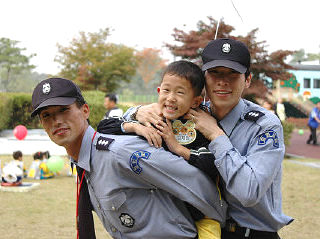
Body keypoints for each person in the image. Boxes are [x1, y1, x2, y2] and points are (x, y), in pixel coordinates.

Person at [125, 38, 293, 239]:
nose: (223, 81)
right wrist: (137, 112)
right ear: (204, 78)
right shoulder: (190, 112)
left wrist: (215, 135)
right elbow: (120, 122)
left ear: (247, 80)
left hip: (250, 233)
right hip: (196, 229)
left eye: (233, 74)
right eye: (215, 73)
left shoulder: (264, 125)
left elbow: (249, 192)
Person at [30, 77, 226, 239]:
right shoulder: (83, 162)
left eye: (64, 110)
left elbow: (196, 181)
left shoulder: (120, 153)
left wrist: (215, 224)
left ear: (85, 110)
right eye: (47, 115)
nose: (57, 121)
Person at [98, 60, 225, 239]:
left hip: (202, 212)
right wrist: (135, 127)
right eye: (166, 90)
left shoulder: (201, 124)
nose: (171, 97)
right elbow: (103, 128)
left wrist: (177, 148)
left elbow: (216, 162)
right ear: (158, 91)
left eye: (180, 92)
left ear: (196, 101)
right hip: (165, 211)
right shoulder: (153, 118)